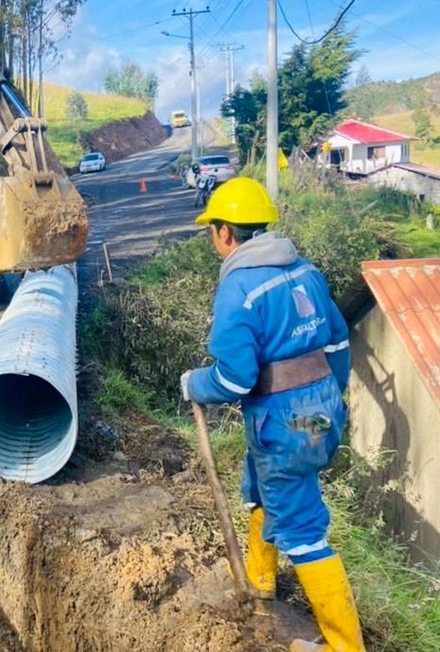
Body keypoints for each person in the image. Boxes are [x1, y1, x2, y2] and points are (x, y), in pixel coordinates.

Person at [179, 177, 364, 652]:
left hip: (281, 423)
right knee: (259, 487)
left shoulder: (239, 290)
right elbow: (339, 342)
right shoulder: (306, 272)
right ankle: (260, 582)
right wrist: (326, 399)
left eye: (212, 231)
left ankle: (346, 647)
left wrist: (193, 383)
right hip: (316, 415)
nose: (213, 239)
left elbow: (235, 379)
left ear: (225, 232)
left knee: (301, 528)